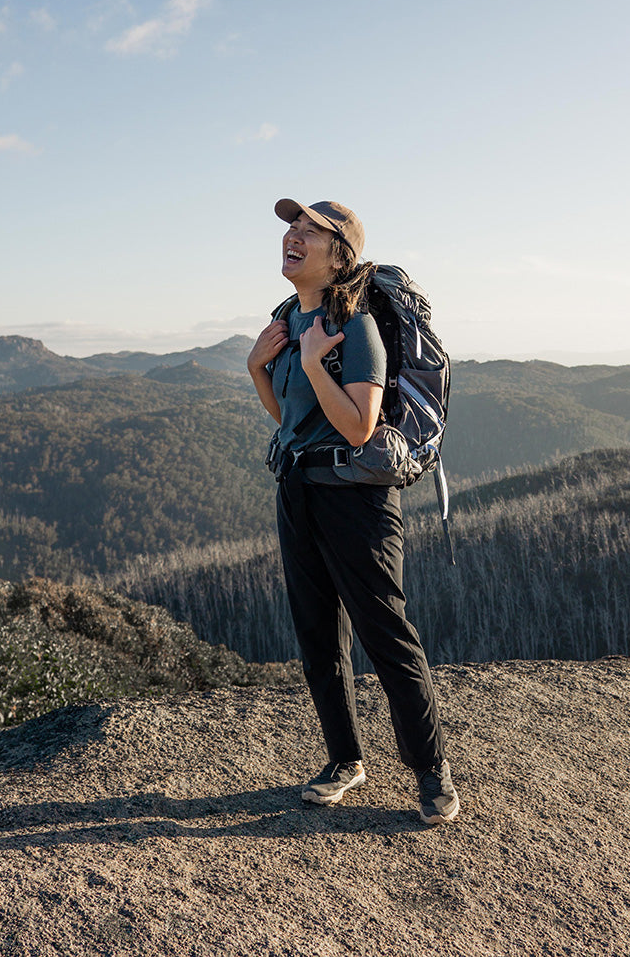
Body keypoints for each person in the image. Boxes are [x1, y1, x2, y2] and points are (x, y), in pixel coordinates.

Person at [247, 197, 460, 825]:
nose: (293, 235)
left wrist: (315, 361)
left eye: (309, 231)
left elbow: (360, 426)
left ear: (340, 256)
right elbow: (290, 419)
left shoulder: (356, 326)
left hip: (357, 498)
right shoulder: (288, 319)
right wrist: (258, 367)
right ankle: (345, 760)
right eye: (291, 226)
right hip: (298, 487)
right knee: (318, 637)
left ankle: (431, 771)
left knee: (385, 633)